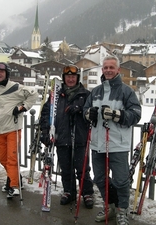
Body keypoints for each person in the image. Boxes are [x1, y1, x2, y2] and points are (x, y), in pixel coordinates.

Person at [83, 55, 141, 224]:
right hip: (98, 143)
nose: (108, 70)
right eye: (105, 67)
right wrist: (88, 114)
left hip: (118, 144)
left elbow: (136, 114)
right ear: (102, 70)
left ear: (118, 70)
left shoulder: (126, 91)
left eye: (111, 67)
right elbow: (86, 111)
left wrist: (118, 115)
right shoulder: (95, 91)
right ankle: (111, 206)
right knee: (100, 178)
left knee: (121, 180)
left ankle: (123, 210)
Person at [39, 65, 94, 209]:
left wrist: (80, 110)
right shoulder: (56, 95)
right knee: (66, 168)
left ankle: (87, 193)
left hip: (80, 138)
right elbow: (46, 113)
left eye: (73, 77)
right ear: (64, 78)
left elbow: (92, 113)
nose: (70, 79)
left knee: (82, 168)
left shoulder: (86, 95)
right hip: (62, 137)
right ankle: (69, 191)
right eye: (68, 77)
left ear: (77, 78)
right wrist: (45, 131)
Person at [0, 62, 38, 198]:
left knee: (12, 159)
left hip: (13, 128)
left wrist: (21, 108)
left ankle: (14, 186)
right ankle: (15, 178)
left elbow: (33, 94)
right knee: (3, 159)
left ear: (6, 73)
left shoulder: (16, 87)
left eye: (2, 72)